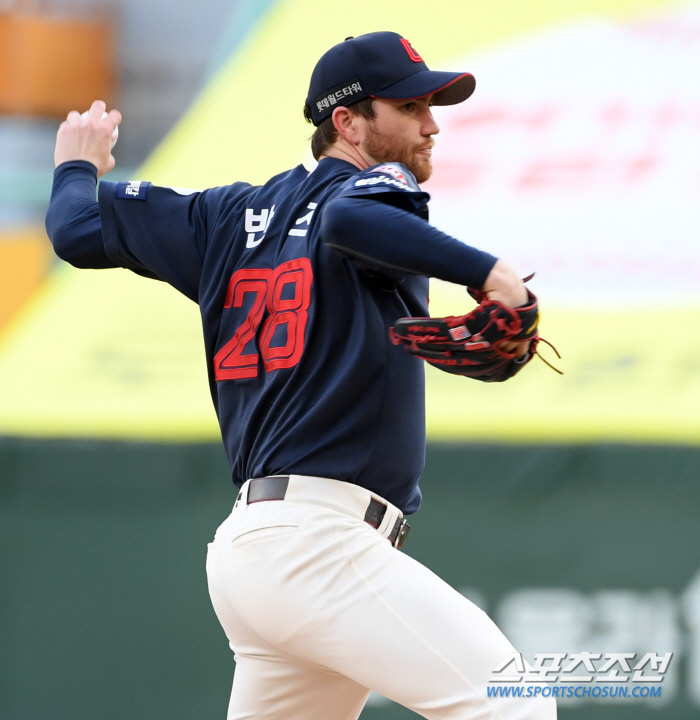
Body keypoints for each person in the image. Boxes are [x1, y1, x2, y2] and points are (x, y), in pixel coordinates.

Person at [46, 30, 556, 720]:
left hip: (257, 552)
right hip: (321, 544)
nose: (431, 123)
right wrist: (491, 273)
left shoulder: (222, 217)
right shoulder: (376, 186)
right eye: (409, 106)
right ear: (346, 122)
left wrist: (77, 168)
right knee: (510, 700)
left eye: (432, 105)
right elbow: (345, 215)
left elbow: (77, 230)